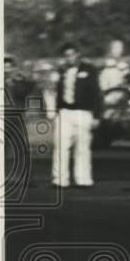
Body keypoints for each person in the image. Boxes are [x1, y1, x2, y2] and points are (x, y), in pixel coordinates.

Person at [48, 42, 101, 188]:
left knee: (82, 147)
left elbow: (96, 93)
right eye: (67, 55)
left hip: (83, 112)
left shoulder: (89, 70)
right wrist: (53, 112)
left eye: (72, 54)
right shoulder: (61, 71)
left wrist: (97, 115)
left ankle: (83, 179)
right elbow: (54, 92)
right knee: (61, 146)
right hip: (65, 112)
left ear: (78, 54)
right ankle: (59, 179)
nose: (70, 58)